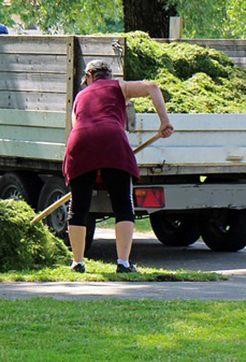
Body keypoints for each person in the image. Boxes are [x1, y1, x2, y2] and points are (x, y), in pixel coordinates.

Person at [62, 60, 174, 273]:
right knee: (123, 204)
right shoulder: (119, 86)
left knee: (78, 206)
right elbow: (152, 87)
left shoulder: (79, 96)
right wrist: (164, 121)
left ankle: (78, 262)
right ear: (108, 75)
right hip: (112, 138)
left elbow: (77, 125)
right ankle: (123, 263)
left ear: (90, 76)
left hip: (80, 140)